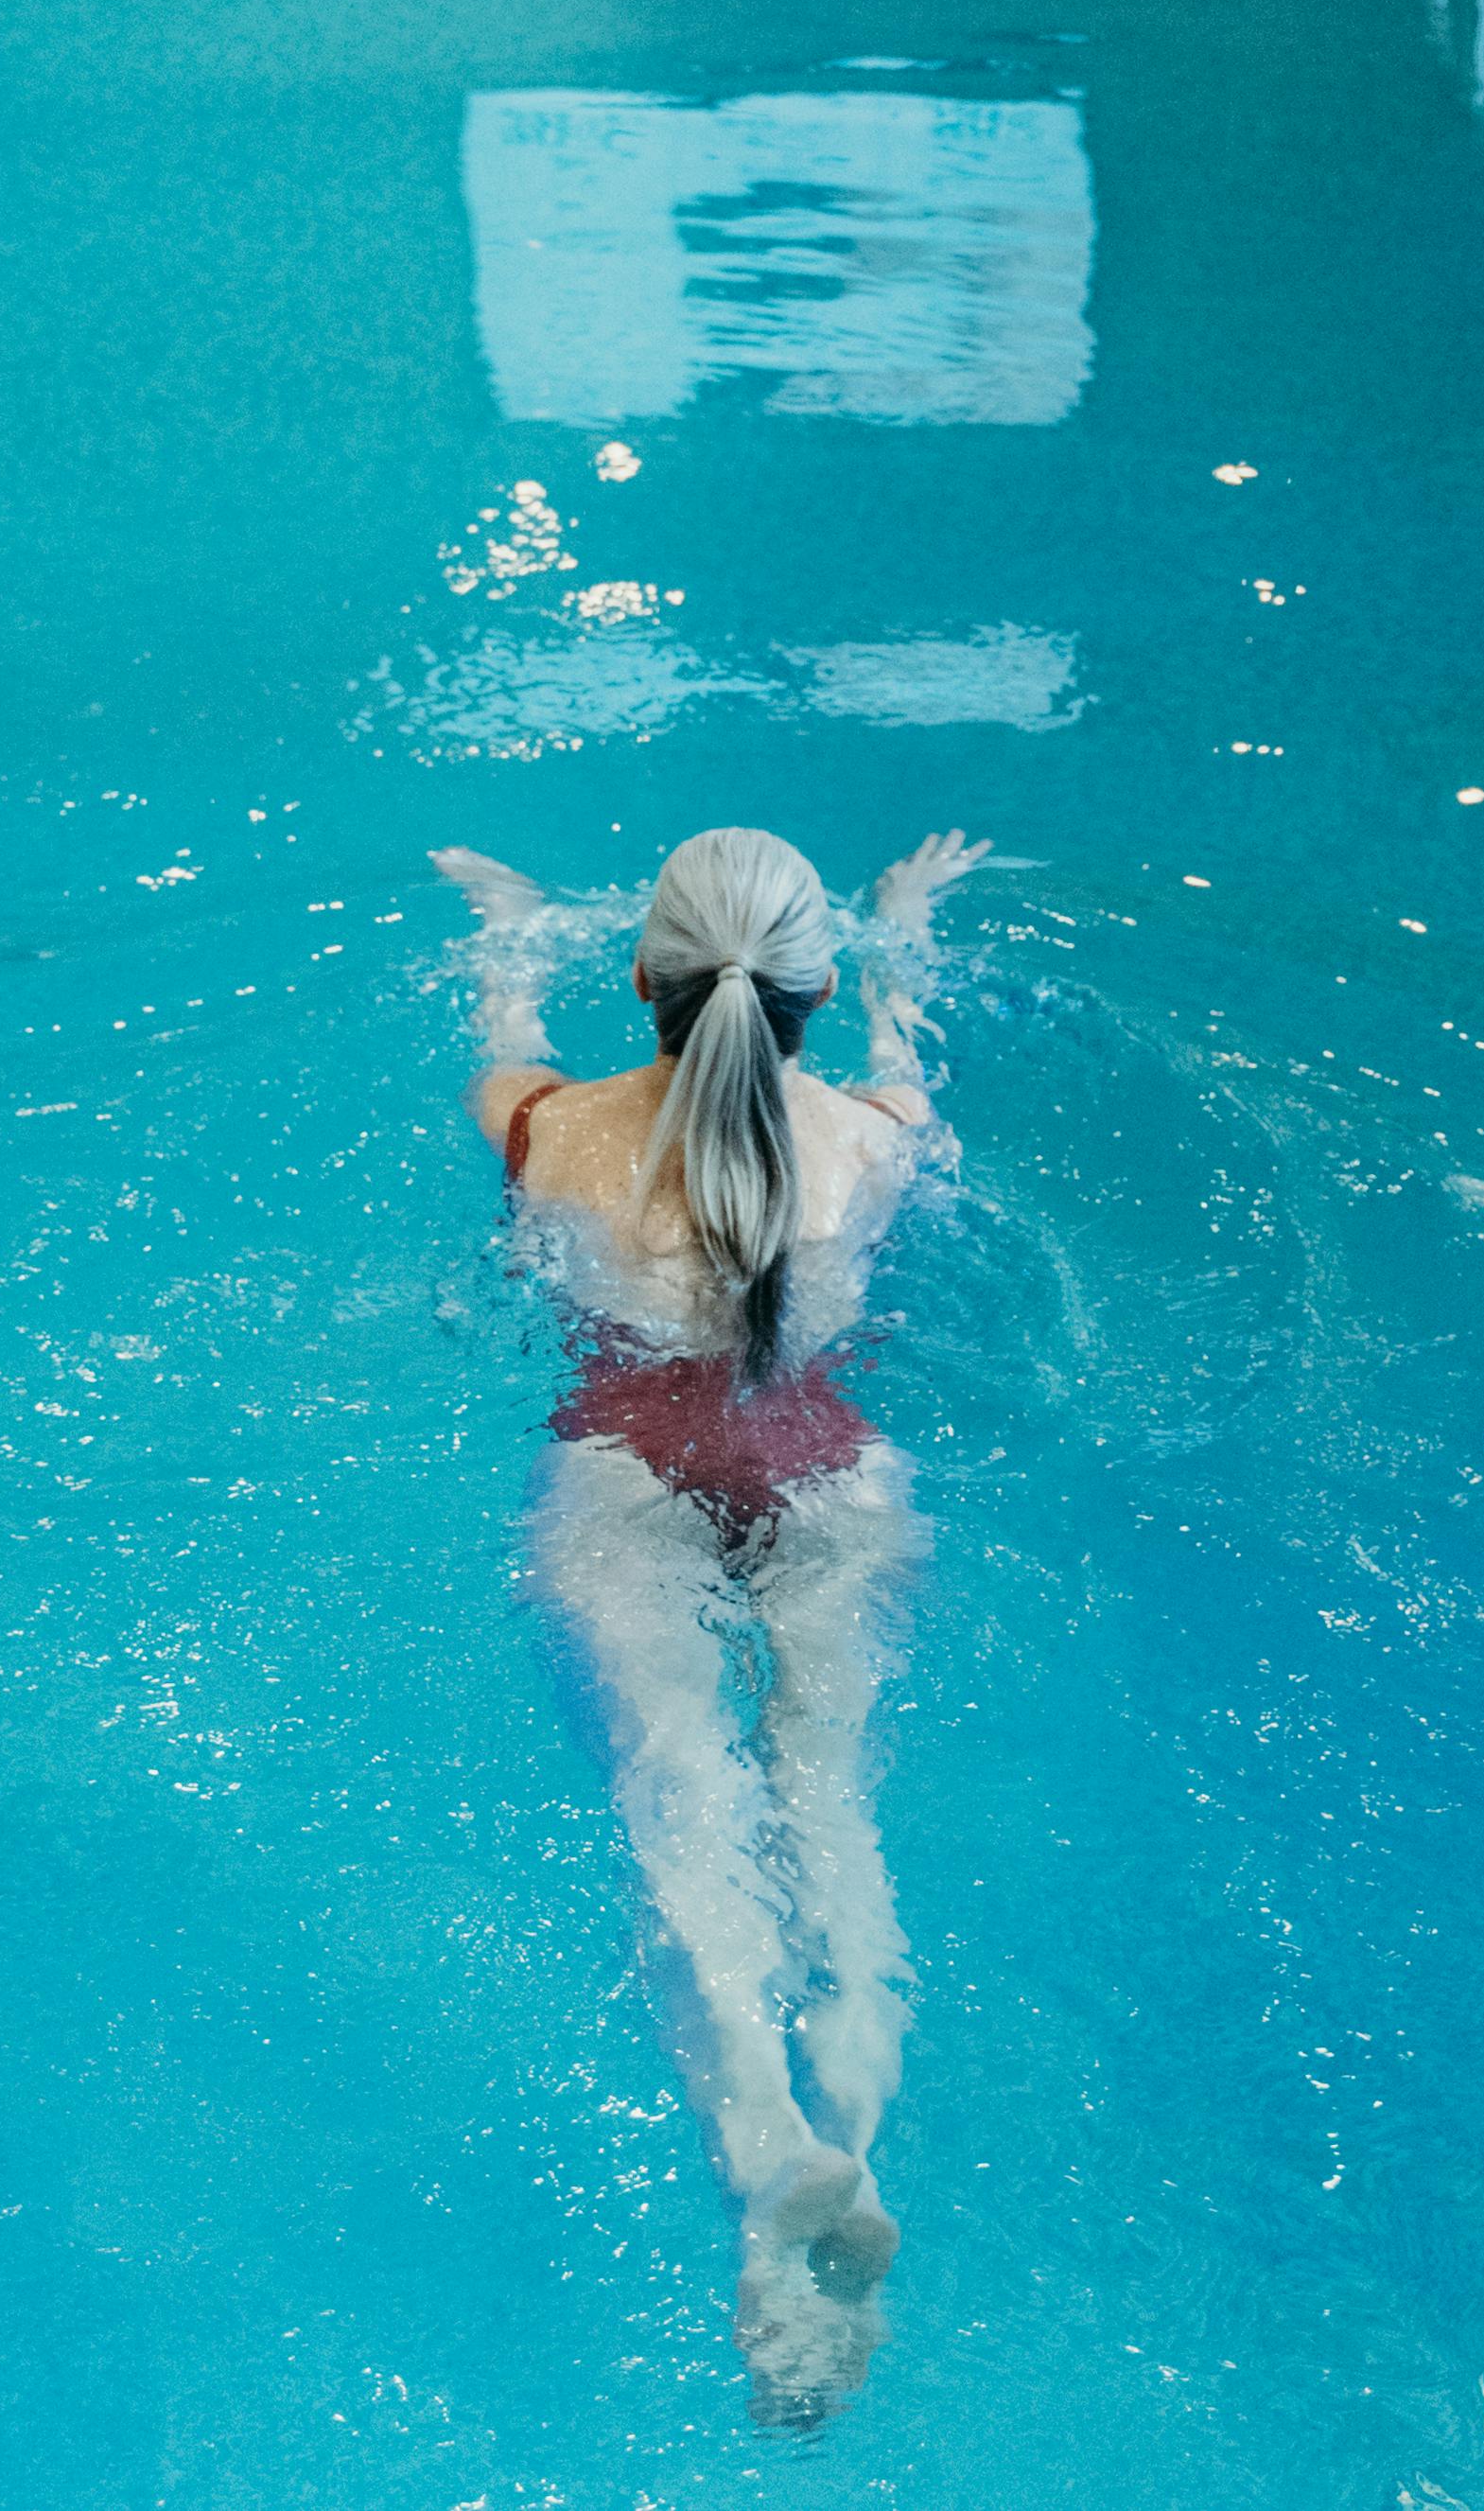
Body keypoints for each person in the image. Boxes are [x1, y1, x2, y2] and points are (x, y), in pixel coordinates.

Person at [430, 817, 990, 2416]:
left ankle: (767, 2145)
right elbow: (906, 1060)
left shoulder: (552, 1131)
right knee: (833, 1808)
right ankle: (859, 2133)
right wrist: (904, 936)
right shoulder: (874, 1136)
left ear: (646, 982)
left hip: (628, 1470)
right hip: (832, 1473)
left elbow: (503, 1048)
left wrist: (509, 927)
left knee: (682, 1795)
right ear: (802, 991)